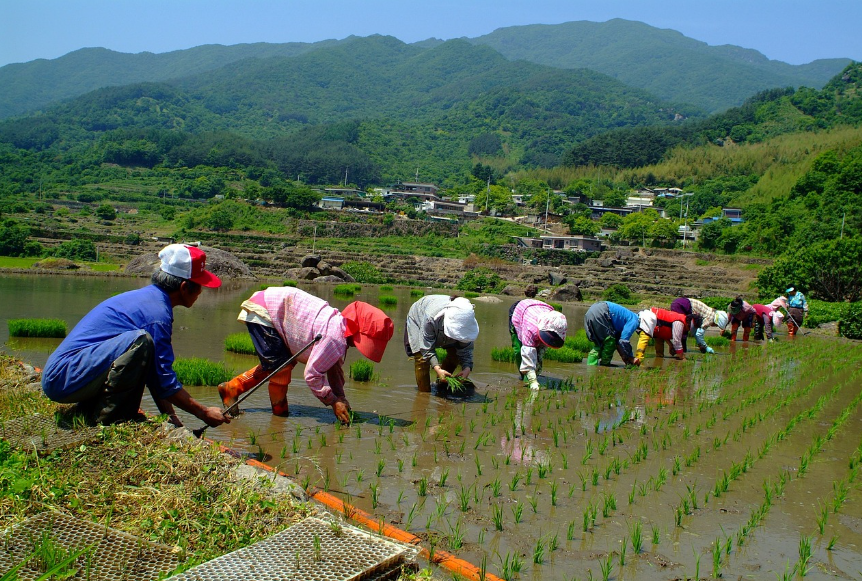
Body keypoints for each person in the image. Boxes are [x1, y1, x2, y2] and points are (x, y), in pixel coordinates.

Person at [41, 244, 229, 428]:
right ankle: (112, 419)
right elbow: (164, 381)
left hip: (66, 375)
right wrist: (203, 412)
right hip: (62, 379)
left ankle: (100, 409)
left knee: (143, 345)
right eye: (199, 286)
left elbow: (156, 375)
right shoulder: (157, 316)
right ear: (183, 287)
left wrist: (172, 418)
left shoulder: (149, 299)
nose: (201, 292)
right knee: (141, 341)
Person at [218, 287, 394, 424]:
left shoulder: (339, 328)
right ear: (357, 332)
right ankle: (279, 417)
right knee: (281, 368)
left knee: (276, 363)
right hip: (265, 311)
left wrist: (341, 397)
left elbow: (334, 368)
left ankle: (232, 388)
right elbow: (311, 375)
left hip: (272, 306)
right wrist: (333, 401)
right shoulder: (334, 336)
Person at [405, 295, 479, 391]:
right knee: (421, 358)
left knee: (455, 356)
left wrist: (467, 368)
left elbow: (466, 350)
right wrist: (437, 368)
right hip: (419, 316)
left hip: (439, 323)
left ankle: (442, 384)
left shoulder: (466, 321)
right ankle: (423, 394)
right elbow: (426, 347)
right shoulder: (431, 318)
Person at [508, 299, 568, 390]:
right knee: (519, 349)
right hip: (519, 310)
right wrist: (532, 380)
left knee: (538, 348)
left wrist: (537, 362)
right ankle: (525, 377)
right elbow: (527, 352)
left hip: (538, 309)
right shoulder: (530, 328)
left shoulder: (556, 321)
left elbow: (542, 347)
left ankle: (534, 373)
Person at [584, 301, 654, 366]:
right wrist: (631, 358)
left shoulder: (626, 318)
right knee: (610, 342)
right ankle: (604, 365)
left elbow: (618, 343)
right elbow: (623, 341)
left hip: (592, 311)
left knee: (599, 343)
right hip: (603, 312)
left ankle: (591, 366)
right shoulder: (635, 320)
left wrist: (625, 358)